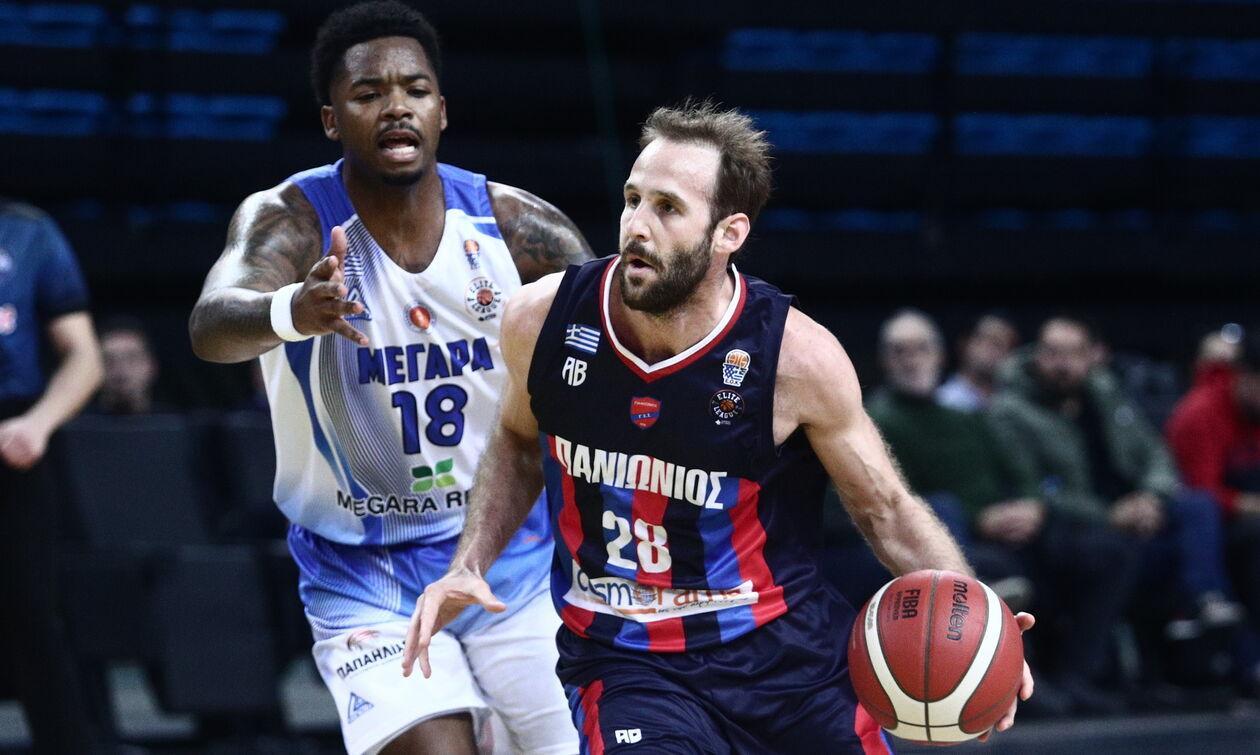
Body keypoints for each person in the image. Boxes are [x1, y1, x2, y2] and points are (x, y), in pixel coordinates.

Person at [402, 102, 1033, 753]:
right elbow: (517, 442)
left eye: (667, 208)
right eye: (633, 199)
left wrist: (987, 631)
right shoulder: (542, 320)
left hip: (786, 662)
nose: (636, 225)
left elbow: (886, 510)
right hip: (628, 661)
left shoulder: (795, 358)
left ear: (729, 232)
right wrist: (470, 562)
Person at [189, 3, 590, 753]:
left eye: (415, 89)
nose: (396, 106)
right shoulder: (292, 222)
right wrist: (290, 311)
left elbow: (608, 348)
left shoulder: (516, 228)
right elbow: (210, 326)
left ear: (442, 111)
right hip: (363, 572)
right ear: (331, 120)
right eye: (368, 93)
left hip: (507, 554)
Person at [988, 318, 1243, 657]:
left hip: (1136, 513)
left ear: (1092, 355)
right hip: (1077, 529)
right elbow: (1033, 490)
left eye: (1073, 353)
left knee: (1198, 507)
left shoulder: (1105, 392)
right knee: (1120, 551)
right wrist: (1111, 514)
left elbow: (1154, 453)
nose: (1062, 365)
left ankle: (1205, 603)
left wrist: (1150, 497)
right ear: (1036, 355)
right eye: (1052, 353)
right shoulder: (1011, 411)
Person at [0, 200, 105, 752]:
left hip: (14, 435)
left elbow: (85, 356)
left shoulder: (27, 232)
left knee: (34, 614)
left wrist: (37, 424)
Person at [1166, 328, 1260, 691]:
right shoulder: (1201, 412)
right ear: (1245, 376)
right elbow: (1198, 493)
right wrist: (1246, 504)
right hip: (1197, 529)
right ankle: (1246, 657)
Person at [936, 312, 1019, 413]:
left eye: (999, 344)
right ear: (964, 343)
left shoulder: (1014, 403)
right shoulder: (942, 400)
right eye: (984, 339)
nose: (989, 349)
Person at [92, 316, 167, 415]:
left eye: (132, 358)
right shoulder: (75, 421)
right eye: (108, 360)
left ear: (152, 366)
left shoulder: (177, 422)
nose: (121, 370)